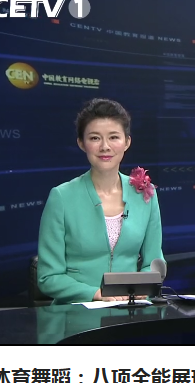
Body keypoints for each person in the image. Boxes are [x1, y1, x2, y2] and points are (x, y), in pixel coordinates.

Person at [37, 98, 163, 305]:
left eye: (114, 137)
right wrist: (95, 293)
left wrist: (144, 287)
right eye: (95, 138)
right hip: (76, 312)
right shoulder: (62, 197)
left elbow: (154, 262)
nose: (105, 147)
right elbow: (48, 277)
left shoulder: (145, 194)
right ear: (81, 143)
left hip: (130, 312)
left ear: (127, 142)